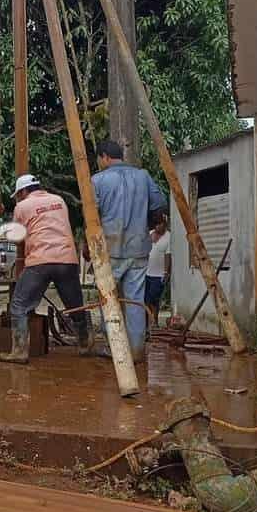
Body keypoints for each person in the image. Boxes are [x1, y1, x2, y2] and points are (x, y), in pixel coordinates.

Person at [91, 140, 167, 362]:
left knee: (108, 298)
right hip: (138, 248)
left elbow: (91, 214)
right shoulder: (143, 176)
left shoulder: (98, 180)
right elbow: (159, 204)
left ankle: (113, 349)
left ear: (104, 157)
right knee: (135, 300)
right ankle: (136, 351)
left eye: (99, 159)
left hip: (110, 249)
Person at [1, 174, 89, 364]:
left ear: (24, 191)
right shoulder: (59, 200)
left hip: (40, 260)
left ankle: (19, 351)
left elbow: (16, 237)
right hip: (67, 259)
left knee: (19, 305)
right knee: (76, 305)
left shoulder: (22, 206)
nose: (18, 198)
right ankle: (85, 344)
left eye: (18, 194)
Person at [145, 212, 171, 328]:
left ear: (164, 224)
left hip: (159, 274)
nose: (157, 226)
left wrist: (166, 272)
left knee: (154, 299)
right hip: (146, 273)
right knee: (146, 299)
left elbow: (168, 256)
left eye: (160, 224)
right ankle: (147, 322)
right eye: (156, 224)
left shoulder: (168, 237)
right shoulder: (150, 234)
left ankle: (154, 321)